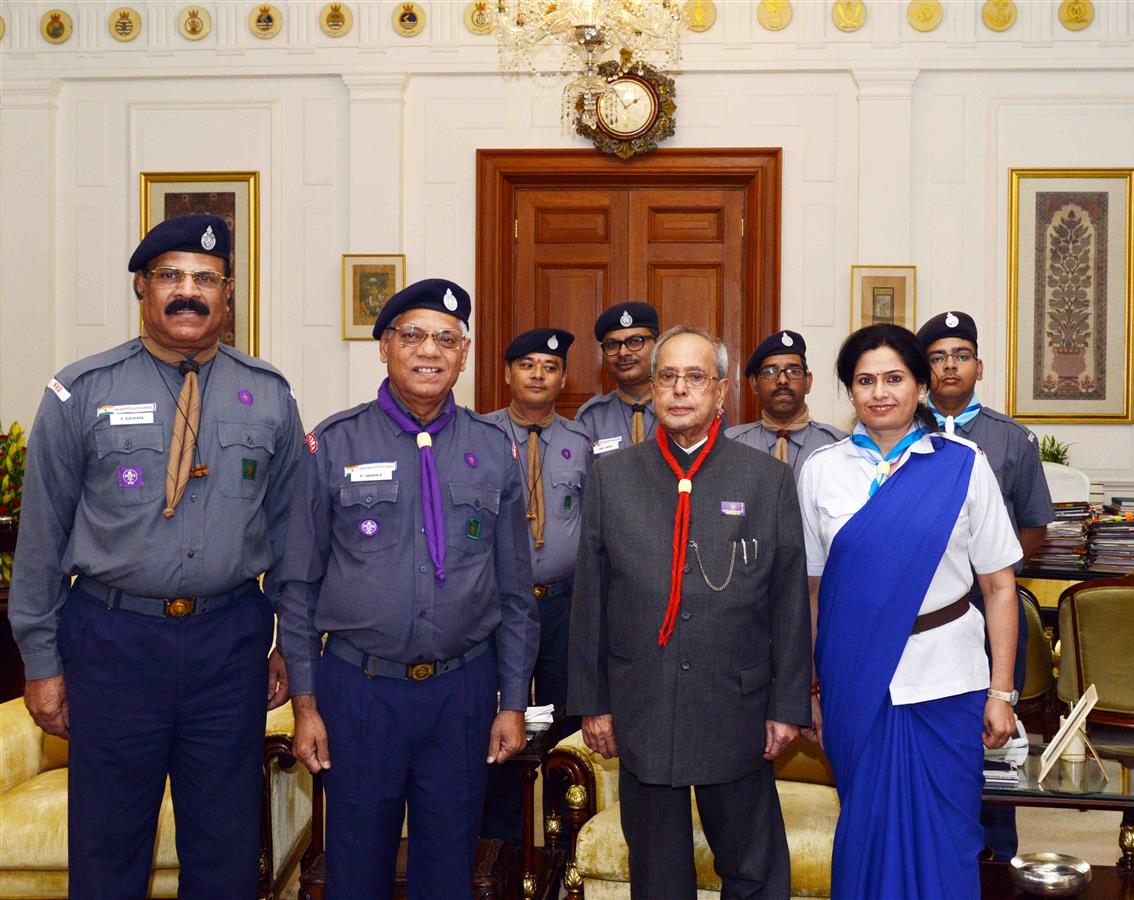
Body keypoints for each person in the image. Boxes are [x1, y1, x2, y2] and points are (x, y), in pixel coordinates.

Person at [7, 214, 299, 898]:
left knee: (226, 844)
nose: (187, 292)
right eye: (170, 276)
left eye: (205, 278)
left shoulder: (271, 395)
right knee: (108, 845)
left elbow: (292, 539)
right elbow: (42, 538)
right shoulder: (81, 392)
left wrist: (293, 645)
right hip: (112, 640)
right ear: (141, 286)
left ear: (228, 293)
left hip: (229, 643)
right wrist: (42, 661)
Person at [278, 279, 540, 899]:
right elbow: (296, 586)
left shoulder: (492, 449)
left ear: (465, 353)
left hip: (463, 692)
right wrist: (307, 706)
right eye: (414, 335)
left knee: (450, 866)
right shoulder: (332, 443)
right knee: (355, 864)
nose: (431, 350)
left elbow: (514, 592)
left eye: (447, 339)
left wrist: (512, 701)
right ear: (385, 347)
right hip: (358, 692)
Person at [568, 325, 812, 899]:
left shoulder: (767, 479)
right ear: (653, 389)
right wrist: (593, 702)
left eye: (695, 377)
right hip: (642, 704)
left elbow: (789, 605)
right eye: (668, 377)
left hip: (739, 707)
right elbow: (589, 601)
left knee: (754, 869)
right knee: (657, 876)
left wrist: (787, 706)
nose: (680, 390)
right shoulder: (611, 477)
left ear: (721, 391)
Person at [797, 323, 1020, 899]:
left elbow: (999, 586)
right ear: (848, 391)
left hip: (947, 677)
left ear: (920, 385)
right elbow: (814, 591)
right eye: (865, 380)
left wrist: (1002, 692)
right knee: (865, 830)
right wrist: (814, 688)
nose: (880, 392)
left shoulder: (963, 465)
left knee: (947, 835)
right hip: (854, 678)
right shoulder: (822, 469)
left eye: (894, 378)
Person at [915, 309, 1056, 860]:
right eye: (938, 357)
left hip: (990, 610)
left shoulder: (1011, 438)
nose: (951, 366)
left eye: (961, 356)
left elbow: (1034, 528)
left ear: (979, 366)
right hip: (921, 616)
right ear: (925, 372)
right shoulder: (900, 431)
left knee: (993, 735)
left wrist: (985, 571)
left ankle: (995, 856)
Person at [480, 327, 591, 839]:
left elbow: (594, 527)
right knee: (499, 714)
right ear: (508, 374)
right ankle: (501, 838)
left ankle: (558, 835)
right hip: (496, 605)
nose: (538, 374)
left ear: (563, 378)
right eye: (527, 365)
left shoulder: (580, 443)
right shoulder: (478, 438)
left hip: (563, 604)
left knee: (564, 720)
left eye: (549, 367)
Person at [725, 329, 844, 476]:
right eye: (770, 371)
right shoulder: (730, 444)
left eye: (794, 371)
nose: (782, 380)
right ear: (754, 383)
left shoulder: (837, 446)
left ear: (808, 382)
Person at [576, 301, 659, 456]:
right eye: (613, 345)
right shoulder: (592, 416)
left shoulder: (679, 407)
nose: (623, 353)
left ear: (657, 345)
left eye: (635, 341)